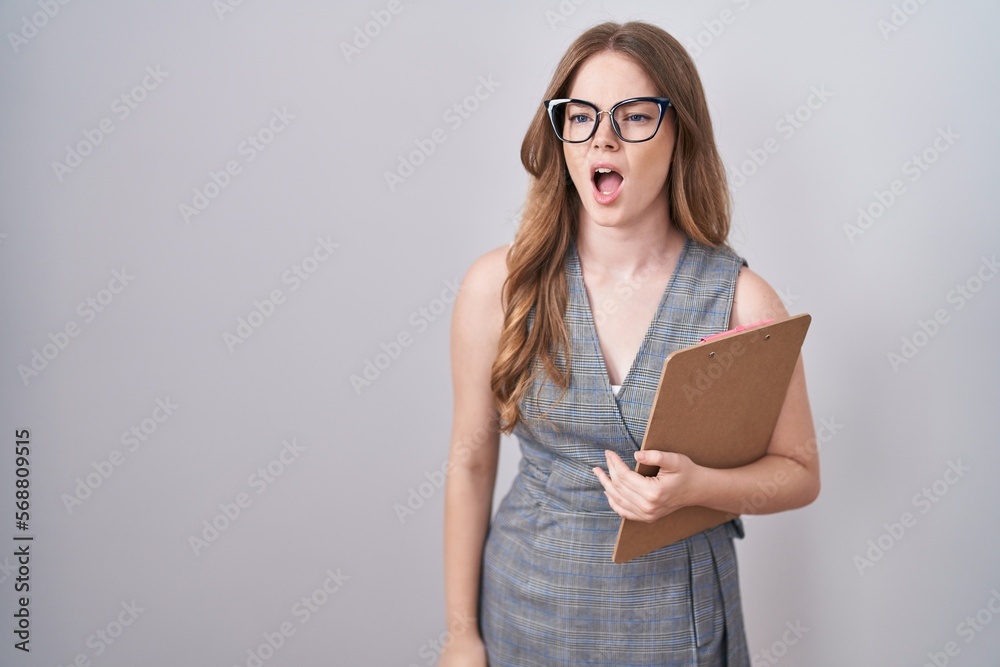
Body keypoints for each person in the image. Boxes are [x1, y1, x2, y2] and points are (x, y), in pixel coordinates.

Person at [439, 20, 820, 667]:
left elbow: (801, 472)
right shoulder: (498, 286)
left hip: (678, 623)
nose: (602, 138)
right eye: (580, 117)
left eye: (634, 116)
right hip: (528, 609)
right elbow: (472, 461)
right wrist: (460, 634)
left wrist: (697, 485)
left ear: (681, 132)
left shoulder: (742, 299)